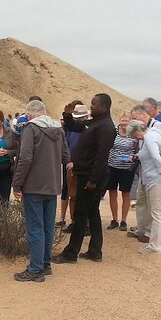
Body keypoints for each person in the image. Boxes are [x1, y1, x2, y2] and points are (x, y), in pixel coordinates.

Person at [53, 93, 116, 264]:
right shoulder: (94, 123)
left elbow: (101, 157)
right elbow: (74, 126)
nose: (91, 106)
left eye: (94, 104)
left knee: (80, 215)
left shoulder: (106, 127)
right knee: (92, 213)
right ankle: (95, 251)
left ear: (104, 106)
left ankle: (70, 253)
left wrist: (93, 181)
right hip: (86, 175)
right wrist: (67, 113)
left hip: (92, 177)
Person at [12, 100, 69, 282]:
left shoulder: (31, 128)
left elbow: (25, 157)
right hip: (52, 185)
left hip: (34, 185)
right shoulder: (58, 129)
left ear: (29, 114)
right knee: (47, 226)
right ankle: (45, 264)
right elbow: (65, 155)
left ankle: (35, 268)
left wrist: (17, 184)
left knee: (35, 227)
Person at [126, 120, 161, 254]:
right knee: (157, 212)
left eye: (133, 136)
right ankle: (157, 243)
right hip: (155, 178)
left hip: (159, 179)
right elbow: (149, 155)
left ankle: (155, 246)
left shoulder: (149, 138)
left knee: (157, 213)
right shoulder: (154, 135)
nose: (134, 139)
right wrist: (137, 156)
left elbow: (156, 156)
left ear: (137, 131)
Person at [57, 101, 87, 233]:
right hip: (69, 166)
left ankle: (84, 223)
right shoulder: (72, 129)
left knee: (82, 195)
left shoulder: (87, 129)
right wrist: (67, 160)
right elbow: (66, 145)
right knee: (72, 194)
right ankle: (74, 221)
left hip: (83, 167)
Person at [106, 113, 138, 231]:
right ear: (119, 121)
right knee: (112, 193)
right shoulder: (114, 131)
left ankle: (124, 221)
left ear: (130, 122)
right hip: (112, 167)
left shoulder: (133, 134)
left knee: (126, 194)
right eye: (122, 120)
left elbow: (136, 149)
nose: (124, 122)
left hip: (127, 169)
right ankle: (114, 219)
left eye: (126, 120)